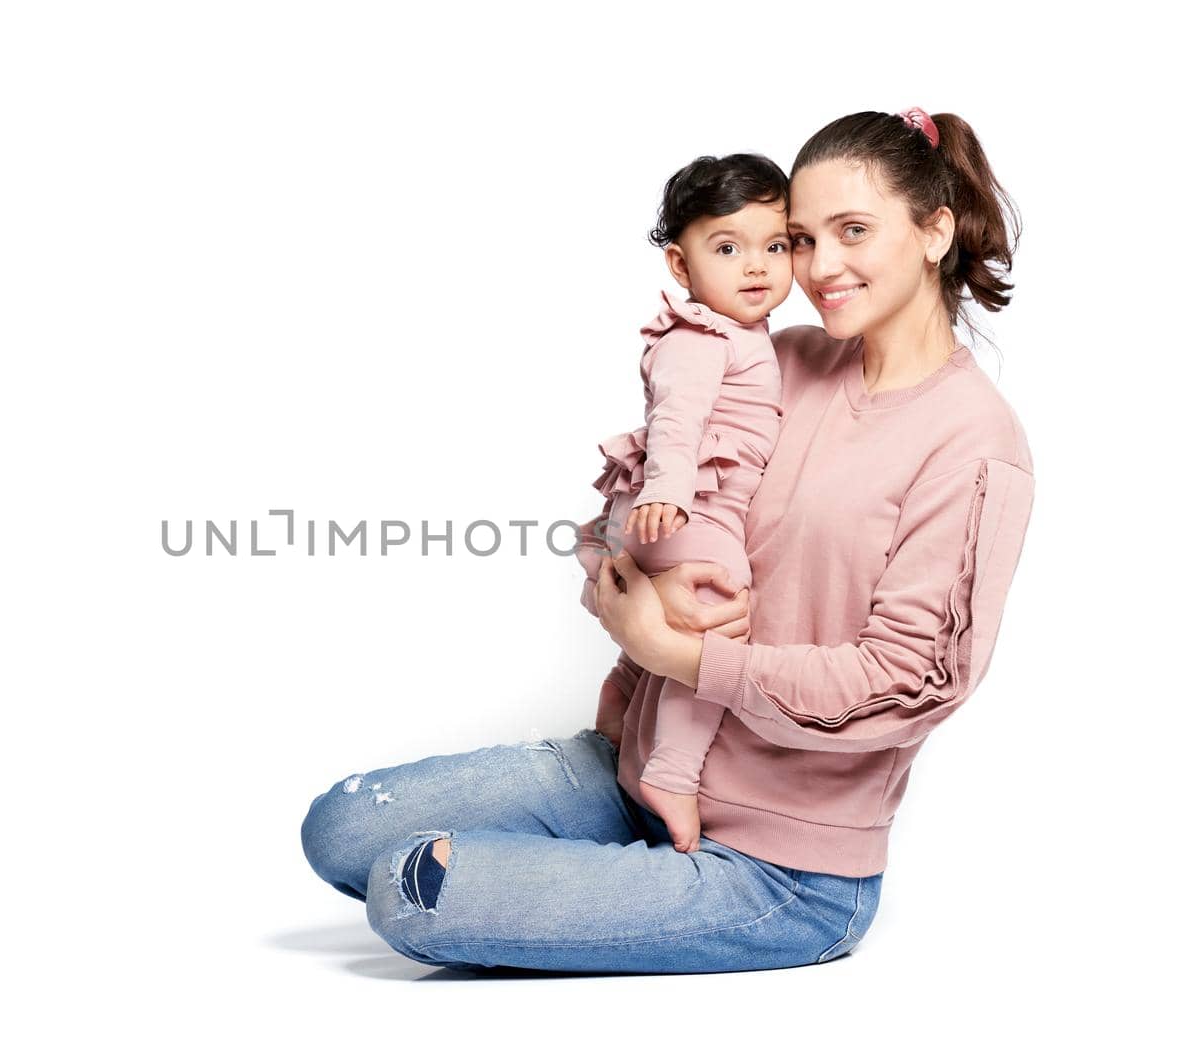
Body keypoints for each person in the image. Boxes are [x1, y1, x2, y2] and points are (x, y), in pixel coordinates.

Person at [299, 107, 1034, 974]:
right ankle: (610, 869)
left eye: (854, 231)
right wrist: (636, 596)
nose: (818, 267)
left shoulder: (975, 446)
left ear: (935, 230)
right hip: (635, 775)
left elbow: (905, 686)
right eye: (800, 238)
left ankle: (620, 896)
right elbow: (624, 509)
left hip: (782, 870)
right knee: (340, 827)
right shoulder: (778, 357)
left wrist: (676, 654)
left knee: (411, 889)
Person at [575, 152, 791, 854]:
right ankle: (673, 770)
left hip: (661, 519)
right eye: (727, 248)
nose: (755, 266)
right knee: (719, 628)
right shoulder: (702, 336)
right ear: (680, 265)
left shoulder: (745, 334)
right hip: (689, 513)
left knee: (671, 616)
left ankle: (623, 691)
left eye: (776, 246)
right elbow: (677, 417)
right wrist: (669, 490)